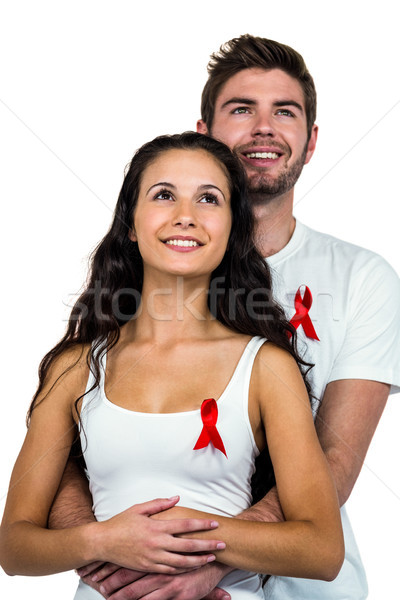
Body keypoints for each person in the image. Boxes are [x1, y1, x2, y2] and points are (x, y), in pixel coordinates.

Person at [47, 35, 400, 600]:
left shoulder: (364, 277)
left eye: (285, 112)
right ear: (204, 132)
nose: (264, 128)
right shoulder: (141, 270)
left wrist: (206, 559)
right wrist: (101, 550)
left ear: (310, 142)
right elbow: (68, 432)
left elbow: (336, 456)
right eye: (242, 109)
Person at [0, 132, 344, 599]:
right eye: (164, 195)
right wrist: (103, 539)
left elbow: (322, 550)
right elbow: (14, 547)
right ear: (130, 225)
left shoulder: (264, 367)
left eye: (209, 198)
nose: (186, 215)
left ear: (232, 228)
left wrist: (182, 543)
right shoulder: (76, 367)